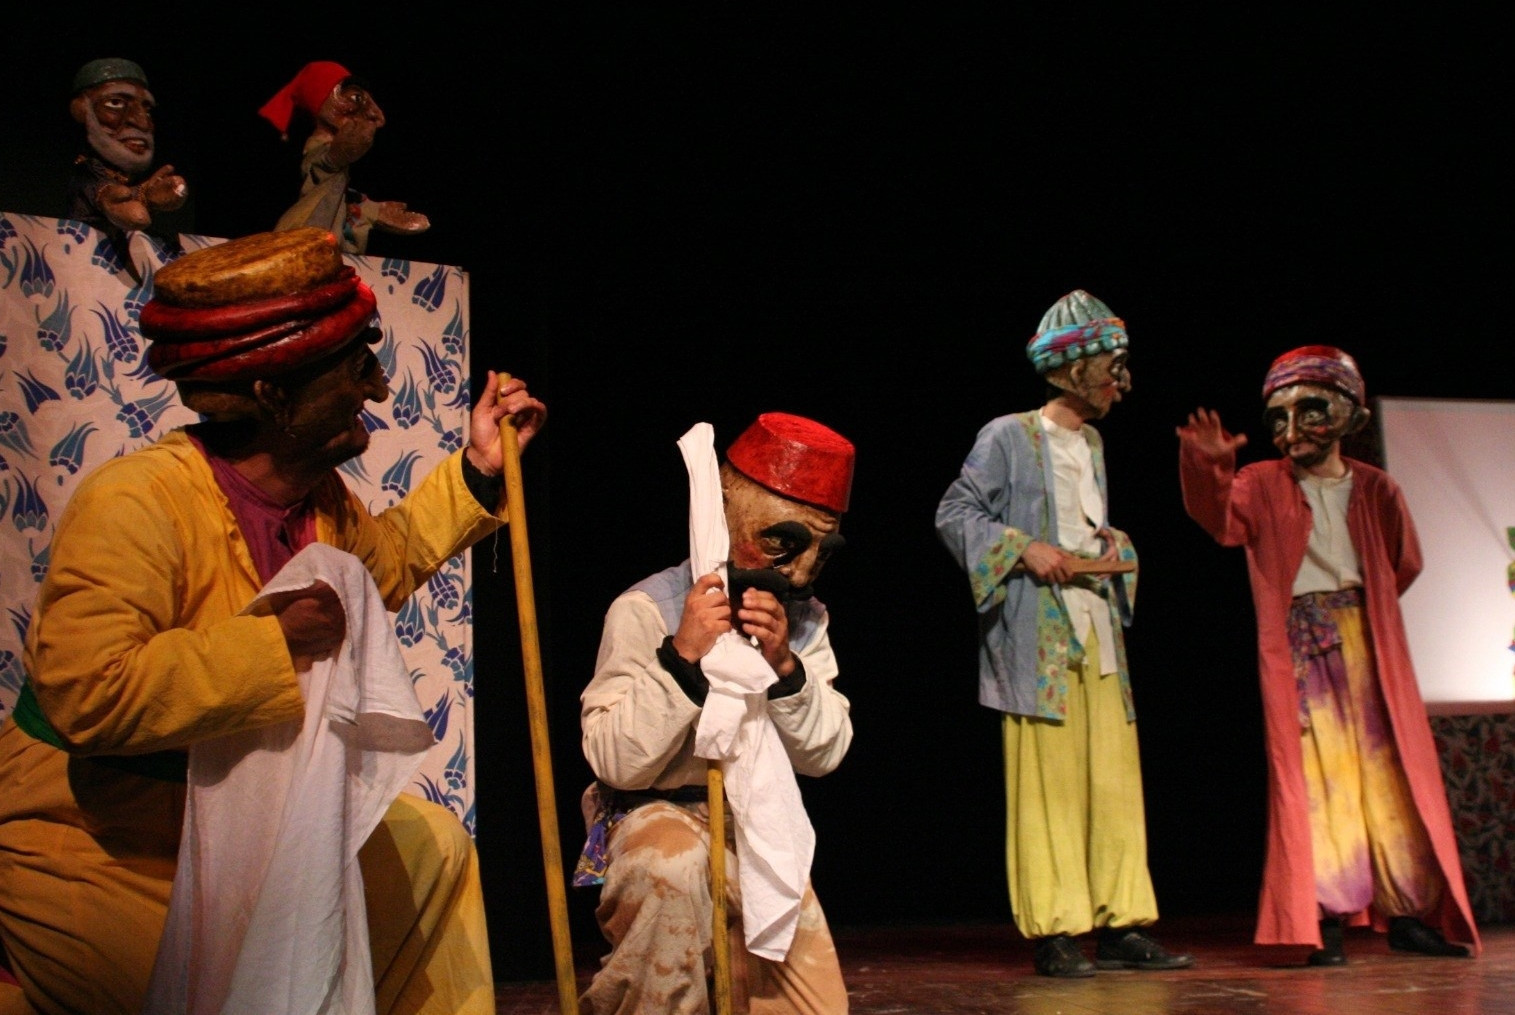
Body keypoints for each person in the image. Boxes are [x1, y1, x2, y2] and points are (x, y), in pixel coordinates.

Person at [0, 226, 546, 1015]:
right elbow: (86, 690)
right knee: (236, 991)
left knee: (435, 849)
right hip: (105, 837)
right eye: (354, 367)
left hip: (249, 824)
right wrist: (272, 644)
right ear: (273, 394)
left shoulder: (321, 502)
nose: (377, 387)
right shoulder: (135, 501)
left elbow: (384, 564)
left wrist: (478, 470)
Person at [1176, 344, 1480, 965]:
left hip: (1368, 642)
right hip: (1302, 645)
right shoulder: (1261, 483)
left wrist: (1370, 616)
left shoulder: (1377, 489)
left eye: (1309, 412)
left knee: (1389, 775)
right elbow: (1220, 519)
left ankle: (1406, 913)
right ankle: (1327, 917)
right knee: (1322, 777)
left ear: (1351, 417)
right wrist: (1207, 466)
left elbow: (1403, 562)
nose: (1291, 432)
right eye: (1278, 419)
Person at [935, 289, 1192, 979]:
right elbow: (955, 512)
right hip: (1038, 638)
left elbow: (1080, 522)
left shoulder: (1094, 443)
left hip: (1096, 626)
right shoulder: (1007, 436)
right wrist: (1024, 548)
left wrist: (1108, 544)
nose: (1122, 381)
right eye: (1113, 366)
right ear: (1077, 368)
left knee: (1113, 779)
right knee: (1047, 787)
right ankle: (1055, 933)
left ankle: (1121, 922)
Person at [575, 412, 856, 1014]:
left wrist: (786, 670)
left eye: (821, 552)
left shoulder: (805, 623)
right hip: (654, 812)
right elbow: (613, 761)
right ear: (727, 512)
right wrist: (682, 659)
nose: (800, 571)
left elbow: (827, 753)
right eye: (783, 543)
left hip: (753, 823)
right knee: (672, 869)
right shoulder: (646, 608)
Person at [258, 61, 430, 255]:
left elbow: (334, 190)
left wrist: (372, 210)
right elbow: (320, 171)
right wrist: (336, 157)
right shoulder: (318, 155)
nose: (378, 116)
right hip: (305, 251)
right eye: (355, 97)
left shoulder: (337, 175)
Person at [65, 57, 188, 246]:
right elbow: (129, 212)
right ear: (81, 110)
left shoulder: (121, 176)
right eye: (115, 103)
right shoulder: (88, 173)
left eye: (147, 110)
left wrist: (145, 194)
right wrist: (124, 201)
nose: (143, 123)